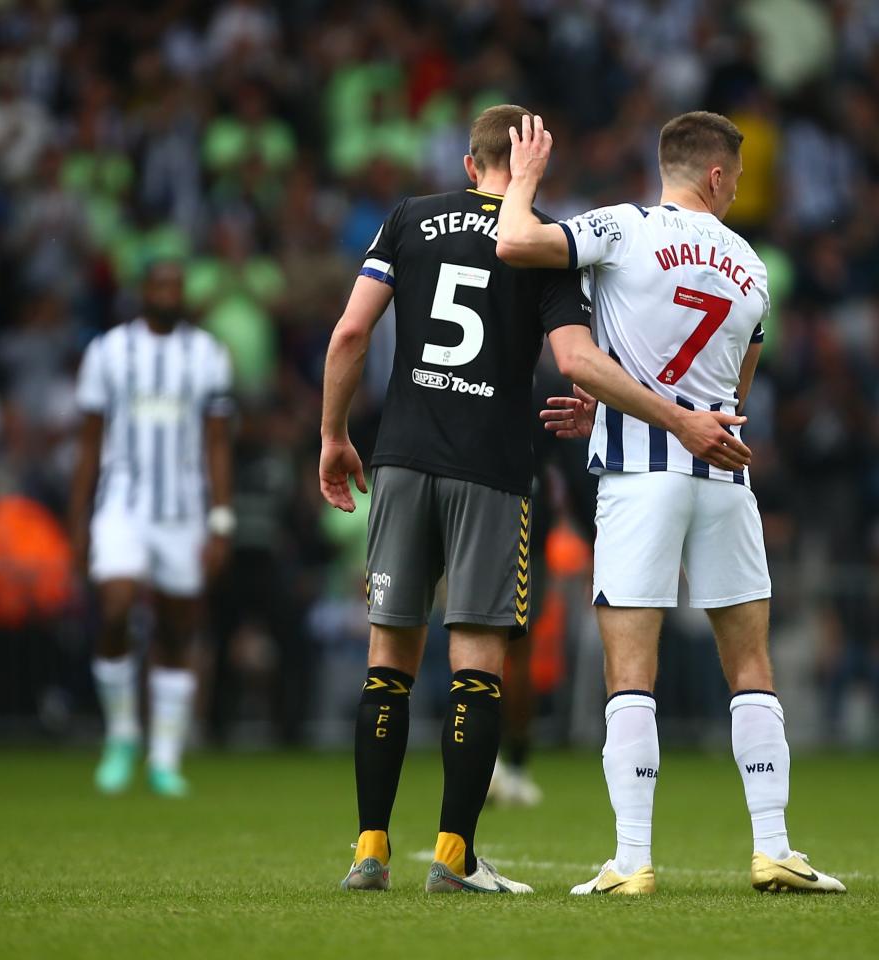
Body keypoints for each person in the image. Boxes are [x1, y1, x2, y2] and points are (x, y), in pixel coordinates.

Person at [321, 104, 750, 895]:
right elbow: (577, 360)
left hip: (403, 458)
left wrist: (332, 436)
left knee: (388, 664)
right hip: (493, 470)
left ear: (466, 162)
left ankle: (370, 850)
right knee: (476, 667)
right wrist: (668, 416)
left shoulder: (408, 220)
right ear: (526, 162)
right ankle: (455, 858)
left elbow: (349, 335)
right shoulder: (548, 244)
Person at [498, 111, 845, 894]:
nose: (739, 191)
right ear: (717, 176)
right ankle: (774, 847)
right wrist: (673, 415)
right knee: (750, 662)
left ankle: (631, 861)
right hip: (724, 476)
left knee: (631, 670)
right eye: (739, 178)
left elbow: (516, 242)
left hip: (638, 476)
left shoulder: (623, 227)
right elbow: (731, 394)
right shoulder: (753, 266)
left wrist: (523, 179)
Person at [69, 261, 234, 798]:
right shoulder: (108, 351)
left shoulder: (207, 354)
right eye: (160, 284)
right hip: (121, 503)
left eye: (176, 285)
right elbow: (90, 440)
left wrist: (221, 519)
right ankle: (121, 734)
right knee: (115, 607)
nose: (169, 293)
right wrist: (77, 522)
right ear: (144, 292)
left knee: (176, 627)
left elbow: (217, 442)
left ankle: (165, 755)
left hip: (183, 509)